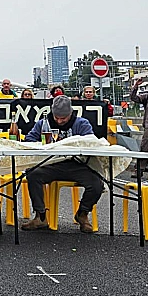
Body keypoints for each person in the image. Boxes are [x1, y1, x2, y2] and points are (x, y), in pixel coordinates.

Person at [20, 96, 100, 233]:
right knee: (33, 175)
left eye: (63, 118)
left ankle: (83, 213)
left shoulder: (82, 123)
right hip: (51, 164)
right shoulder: (43, 123)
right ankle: (41, 216)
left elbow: (91, 143)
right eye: (56, 117)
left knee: (97, 183)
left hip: (77, 165)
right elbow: (29, 139)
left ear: (70, 114)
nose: (59, 121)